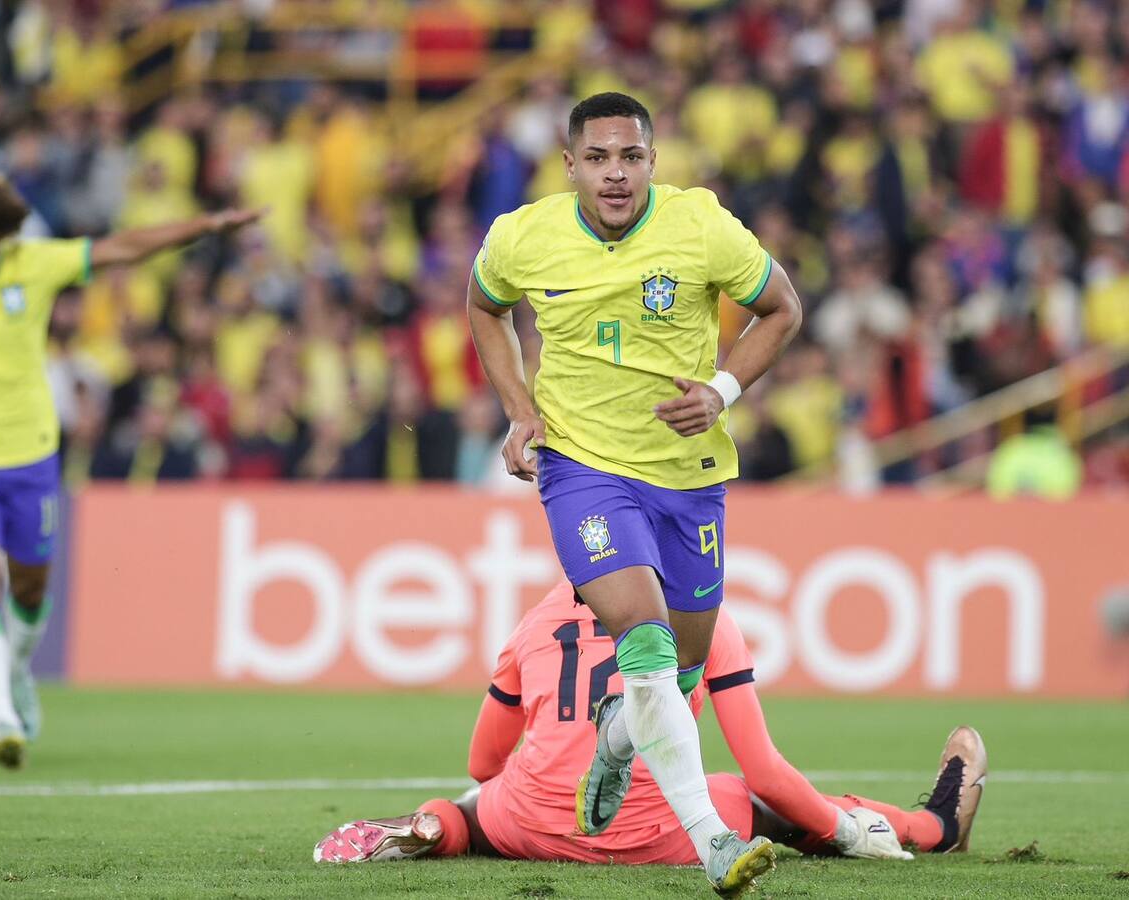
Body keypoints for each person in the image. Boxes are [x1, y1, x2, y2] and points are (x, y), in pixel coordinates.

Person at [466, 91, 802, 895]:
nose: (616, 175)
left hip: (688, 479)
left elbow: (782, 308)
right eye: (599, 158)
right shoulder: (522, 236)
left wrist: (721, 391)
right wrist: (519, 409)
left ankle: (619, 735)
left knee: (680, 666)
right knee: (645, 641)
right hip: (582, 469)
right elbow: (484, 305)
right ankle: (713, 841)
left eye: (632, 157)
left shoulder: (701, 226)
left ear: (654, 160)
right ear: (570, 163)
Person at [0, 173, 260, 768]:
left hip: (29, 456)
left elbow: (124, 247)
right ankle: (1, 716)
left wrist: (204, 226)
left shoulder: (33, 263)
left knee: (29, 590)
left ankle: (18, 671)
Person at [314, 581, 987, 874]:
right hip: (665, 834)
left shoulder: (534, 622)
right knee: (752, 800)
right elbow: (767, 773)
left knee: (474, 805)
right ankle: (932, 827)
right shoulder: (704, 618)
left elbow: (483, 762)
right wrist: (835, 827)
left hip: (533, 830)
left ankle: (430, 828)